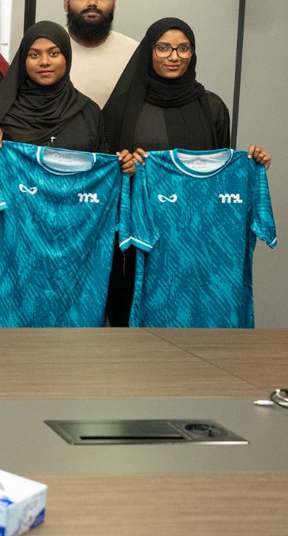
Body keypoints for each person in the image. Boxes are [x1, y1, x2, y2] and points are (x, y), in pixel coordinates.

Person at [102, 17, 271, 326]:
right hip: (141, 233)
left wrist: (250, 162)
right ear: (148, 52)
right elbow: (104, 170)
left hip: (195, 237)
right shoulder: (121, 108)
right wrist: (123, 166)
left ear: (193, 53)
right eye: (163, 47)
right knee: (134, 322)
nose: (174, 56)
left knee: (197, 315)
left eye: (183, 48)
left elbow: (219, 171)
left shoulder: (212, 107)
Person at [0, 22, 107, 152]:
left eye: (54, 54)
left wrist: (123, 164)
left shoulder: (88, 111)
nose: (44, 62)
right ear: (23, 60)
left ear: (67, 57)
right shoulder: (1, 114)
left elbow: (103, 165)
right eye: (34, 55)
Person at [64, 0, 138, 108]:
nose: (93, 2)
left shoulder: (135, 53)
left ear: (114, 4)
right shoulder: (46, 51)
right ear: (66, 3)